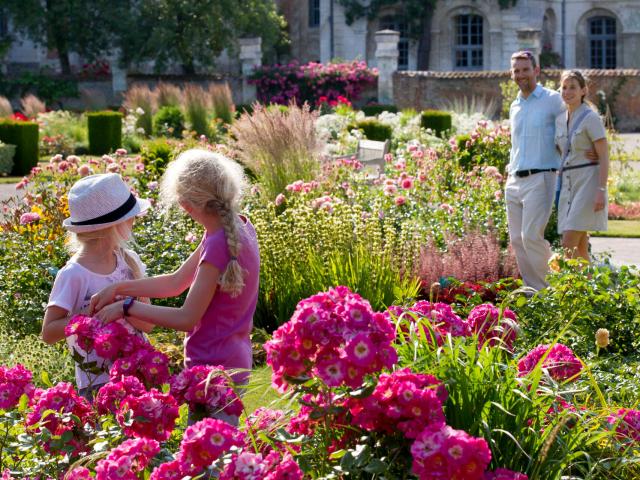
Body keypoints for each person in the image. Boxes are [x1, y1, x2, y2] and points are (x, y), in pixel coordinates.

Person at [90, 149, 260, 425]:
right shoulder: (235, 227)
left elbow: (186, 318)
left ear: (185, 204)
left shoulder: (219, 243)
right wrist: (120, 288)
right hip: (232, 359)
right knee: (216, 457)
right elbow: (177, 282)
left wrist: (127, 307)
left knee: (210, 463)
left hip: (214, 371)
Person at [42, 173, 153, 400]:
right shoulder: (74, 274)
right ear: (114, 226)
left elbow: (148, 325)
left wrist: (125, 306)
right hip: (98, 383)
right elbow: (49, 332)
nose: (135, 221)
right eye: (131, 217)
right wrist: (89, 315)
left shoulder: (128, 262)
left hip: (139, 372)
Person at [555, 70, 609, 261]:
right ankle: (588, 289)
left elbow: (604, 155)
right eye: (564, 87)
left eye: (572, 87)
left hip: (588, 182)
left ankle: (565, 288)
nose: (567, 92)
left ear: (583, 90)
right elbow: (561, 152)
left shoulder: (591, 118)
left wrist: (601, 190)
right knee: (580, 248)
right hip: (568, 184)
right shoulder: (559, 120)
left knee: (568, 243)